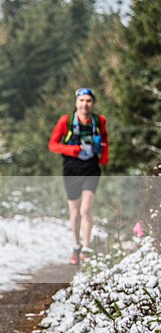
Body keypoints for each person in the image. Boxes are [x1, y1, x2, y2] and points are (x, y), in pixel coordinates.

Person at [48, 87, 109, 265]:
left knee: (86, 210)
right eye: (81, 101)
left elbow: (104, 140)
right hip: (71, 168)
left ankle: (87, 248)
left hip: (91, 167)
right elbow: (53, 145)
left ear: (93, 103)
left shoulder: (99, 121)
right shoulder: (65, 121)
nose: (85, 104)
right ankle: (76, 245)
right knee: (75, 212)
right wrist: (71, 150)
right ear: (76, 103)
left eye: (88, 101)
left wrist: (104, 157)